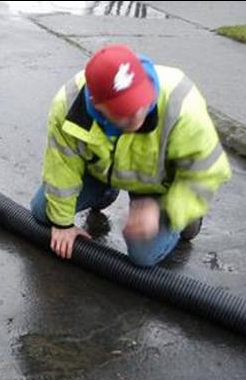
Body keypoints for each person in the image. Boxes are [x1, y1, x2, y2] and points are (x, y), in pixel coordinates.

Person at [30, 44, 231, 267]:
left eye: (139, 100)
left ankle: (188, 218)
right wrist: (63, 225)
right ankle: (105, 193)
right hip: (101, 172)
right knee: (44, 212)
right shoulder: (68, 103)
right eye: (123, 110)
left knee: (143, 256)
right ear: (96, 105)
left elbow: (206, 171)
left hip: (158, 187)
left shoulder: (181, 105)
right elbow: (62, 166)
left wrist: (163, 210)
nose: (137, 114)